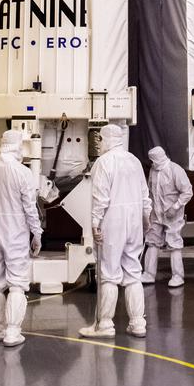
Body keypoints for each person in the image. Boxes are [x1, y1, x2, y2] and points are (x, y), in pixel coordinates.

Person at [80, 123, 151, 339]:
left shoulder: (104, 162)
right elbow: (144, 194)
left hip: (113, 221)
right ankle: (138, 323)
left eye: (100, 139)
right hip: (135, 221)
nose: (99, 143)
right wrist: (145, 220)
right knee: (133, 271)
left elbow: (100, 197)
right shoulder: (134, 161)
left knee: (109, 273)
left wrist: (95, 222)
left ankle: (106, 325)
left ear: (106, 139)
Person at [0, 129, 43, 348]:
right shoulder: (22, 172)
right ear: (18, 146)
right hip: (15, 233)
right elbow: (30, 208)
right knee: (17, 284)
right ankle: (12, 332)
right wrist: (37, 233)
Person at [142, 146, 193, 288]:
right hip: (156, 214)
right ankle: (149, 274)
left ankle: (178, 276)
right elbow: (151, 192)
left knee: (174, 243)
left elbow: (187, 192)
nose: (152, 163)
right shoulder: (153, 171)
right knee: (151, 242)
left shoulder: (175, 170)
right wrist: (149, 212)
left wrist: (175, 207)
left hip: (173, 215)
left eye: (153, 160)